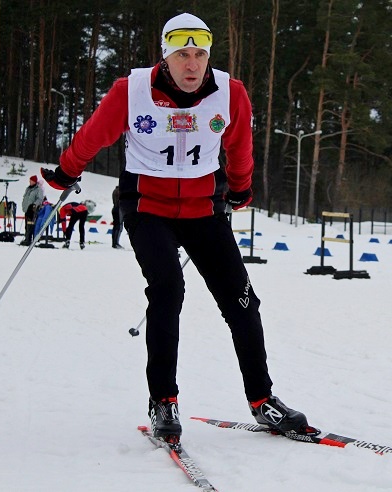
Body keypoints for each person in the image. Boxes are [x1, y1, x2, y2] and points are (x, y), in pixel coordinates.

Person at [41, 12, 313, 441]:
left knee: (242, 301)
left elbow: (239, 146)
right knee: (168, 290)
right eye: (182, 54)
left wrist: (241, 188)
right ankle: (163, 401)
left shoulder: (230, 93)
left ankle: (263, 400)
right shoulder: (131, 91)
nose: (192, 64)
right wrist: (65, 171)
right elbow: (94, 135)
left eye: (200, 54)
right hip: (147, 206)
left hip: (204, 209)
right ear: (165, 57)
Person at [20, 175, 44, 245]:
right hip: (27, 209)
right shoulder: (28, 189)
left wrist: (34, 205)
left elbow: (40, 199)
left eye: (31, 181)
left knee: (32, 224)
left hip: (33, 209)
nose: (30, 182)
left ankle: (31, 238)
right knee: (26, 224)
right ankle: (27, 237)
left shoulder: (38, 189)